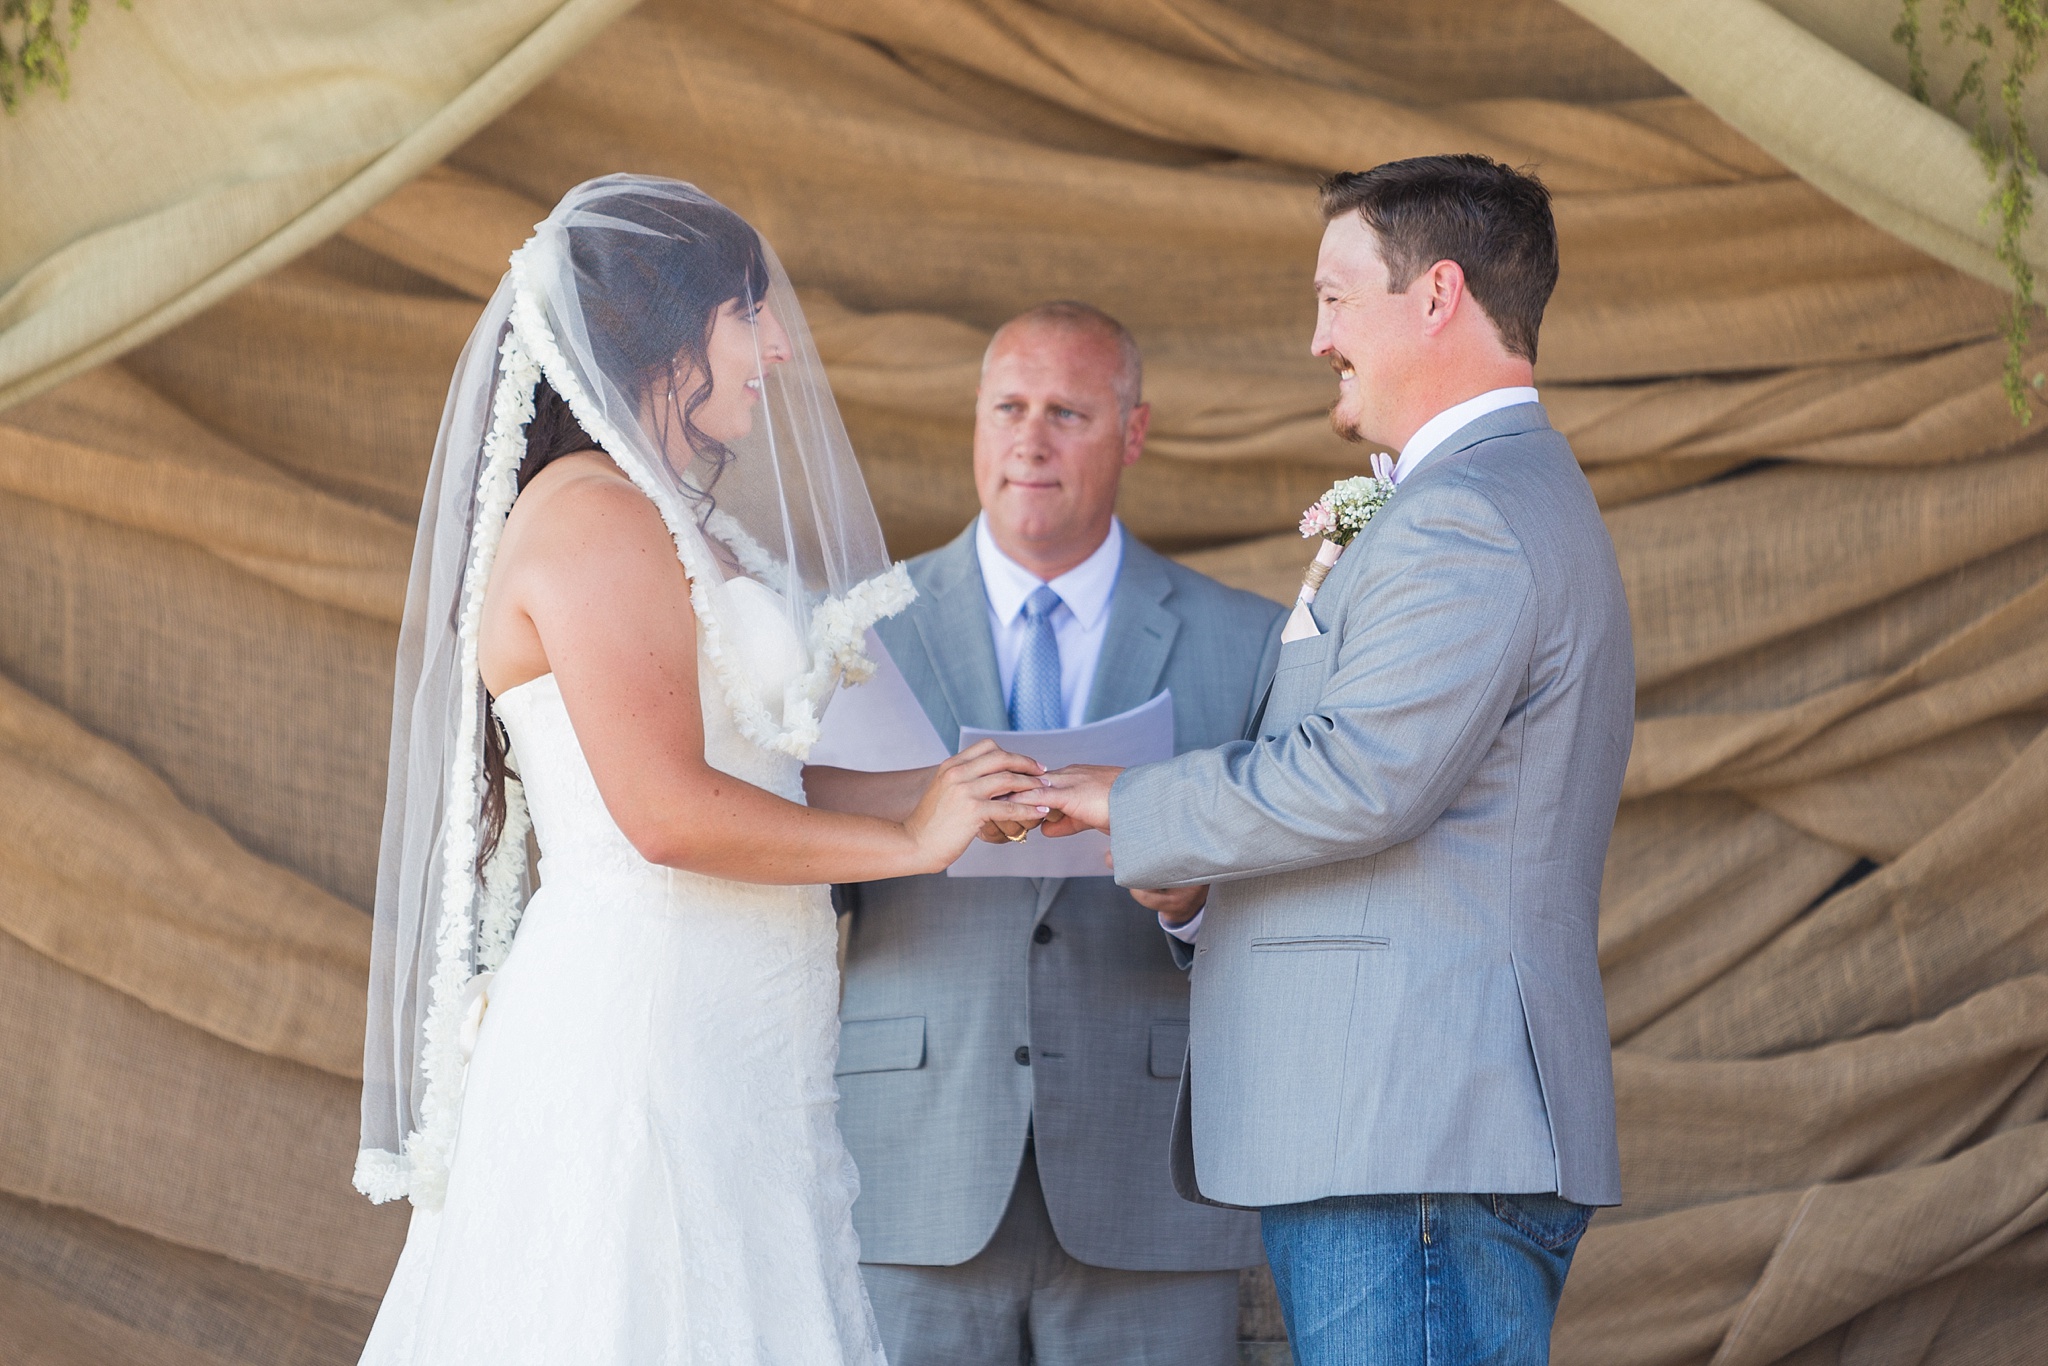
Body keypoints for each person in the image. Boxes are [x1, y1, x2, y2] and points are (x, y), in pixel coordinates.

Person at [353, 175, 1046, 1365]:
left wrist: (951, 795)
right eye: (747, 311)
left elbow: (751, 779)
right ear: (664, 330)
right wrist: (904, 843)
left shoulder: (674, 516)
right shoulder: (590, 518)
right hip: (645, 1030)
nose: (777, 346)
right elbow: (664, 813)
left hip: (742, 1032)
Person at [1038, 155, 1635, 1364]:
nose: (1316, 338)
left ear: (1435, 296)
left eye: (1333, 296)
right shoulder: (1474, 495)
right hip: (1395, 1130)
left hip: (1414, 1128)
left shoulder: (1466, 514)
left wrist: (1132, 803)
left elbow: (1364, 774)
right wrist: (1202, 890)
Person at [813, 302, 1283, 1366]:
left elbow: (1293, 880)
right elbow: (797, 877)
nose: (1029, 440)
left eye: (1065, 412)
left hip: (1151, 1166)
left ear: (1133, 431)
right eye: (1007, 408)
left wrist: (1197, 899)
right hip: (911, 1165)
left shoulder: (1245, 639)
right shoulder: (857, 631)